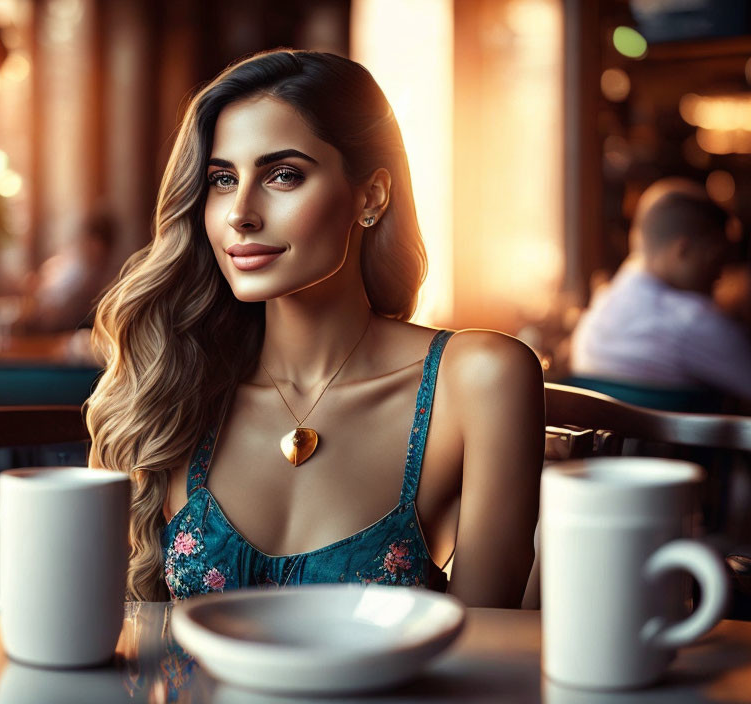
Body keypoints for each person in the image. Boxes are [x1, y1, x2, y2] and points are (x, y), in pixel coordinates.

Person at [86, 50, 544, 607]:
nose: (241, 213)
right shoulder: (173, 387)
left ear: (371, 195)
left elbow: (483, 646)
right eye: (223, 179)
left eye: (283, 175)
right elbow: (95, 628)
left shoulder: (478, 380)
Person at [571, 177, 751, 404]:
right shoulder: (692, 321)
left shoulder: (598, 310)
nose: (721, 273)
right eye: (716, 258)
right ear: (683, 251)